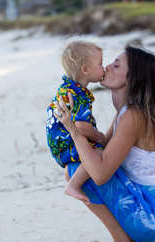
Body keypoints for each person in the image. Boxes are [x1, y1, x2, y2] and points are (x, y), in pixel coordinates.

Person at [53, 44, 155, 242]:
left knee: (79, 170)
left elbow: (100, 173)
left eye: (116, 65)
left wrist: (74, 132)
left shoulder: (134, 116)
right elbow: (102, 147)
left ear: (132, 78)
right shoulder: (128, 112)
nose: (107, 67)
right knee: (81, 168)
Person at [46, 40, 106, 204]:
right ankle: (74, 185)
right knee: (99, 153)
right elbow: (80, 125)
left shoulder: (67, 87)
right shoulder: (77, 94)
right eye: (100, 63)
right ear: (85, 70)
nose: (104, 67)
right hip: (67, 144)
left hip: (60, 144)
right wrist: (97, 136)